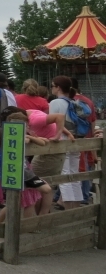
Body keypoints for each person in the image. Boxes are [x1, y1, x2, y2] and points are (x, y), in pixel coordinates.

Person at [0, 111, 52, 237]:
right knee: (45, 189)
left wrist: (31, 135)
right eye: (25, 126)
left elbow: (44, 141)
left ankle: (0, 227)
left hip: (23, 172)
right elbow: (41, 142)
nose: (27, 128)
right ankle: (1, 226)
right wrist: (31, 136)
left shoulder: (17, 137)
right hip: (24, 173)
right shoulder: (16, 138)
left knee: (25, 202)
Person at [25, 107, 72, 215]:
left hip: (50, 152)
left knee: (37, 184)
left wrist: (57, 135)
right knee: (46, 184)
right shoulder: (33, 112)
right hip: (48, 151)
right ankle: (42, 214)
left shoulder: (34, 119)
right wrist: (67, 133)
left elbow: (59, 117)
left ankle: (39, 216)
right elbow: (53, 122)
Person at [49, 76, 84, 210]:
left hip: (63, 139)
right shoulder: (73, 102)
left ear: (58, 87)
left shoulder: (55, 103)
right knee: (74, 173)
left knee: (64, 174)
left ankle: (69, 208)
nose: (51, 88)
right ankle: (77, 205)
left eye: (53, 85)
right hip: (76, 139)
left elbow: (54, 123)